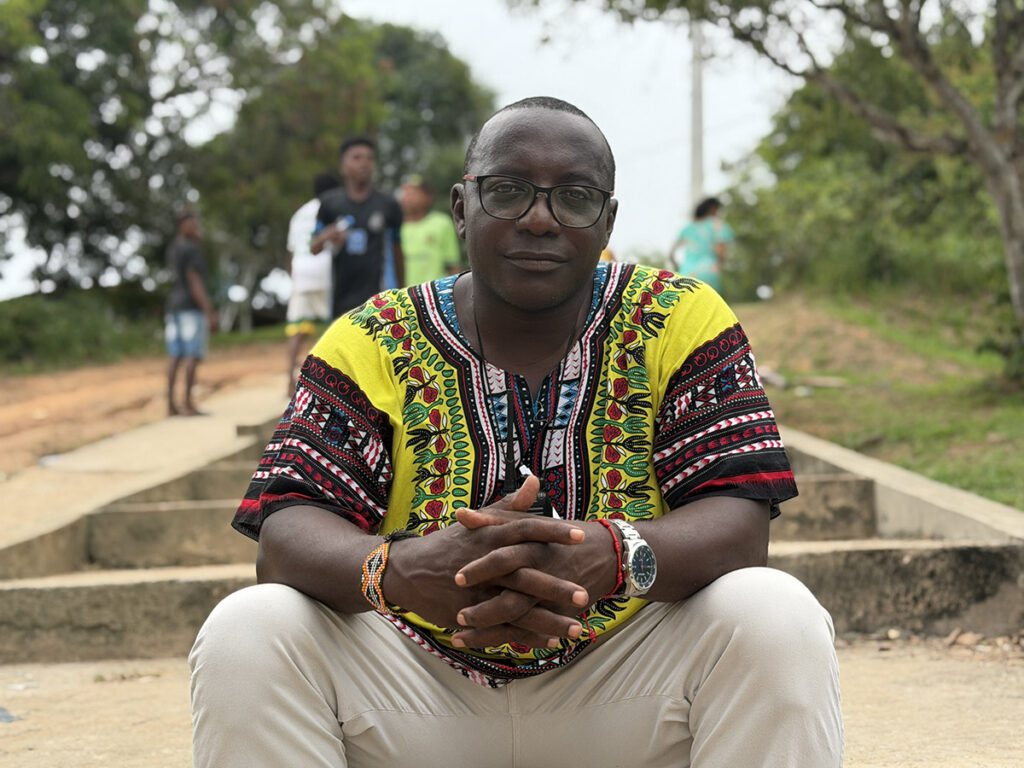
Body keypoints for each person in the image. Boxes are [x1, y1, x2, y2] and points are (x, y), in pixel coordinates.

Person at [190, 97, 843, 767]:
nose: (539, 219)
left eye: (576, 197)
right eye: (507, 191)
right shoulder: (372, 337)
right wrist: (404, 570)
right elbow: (285, 535)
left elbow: (741, 523)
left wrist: (612, 555)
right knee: (250, 629)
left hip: (627, 691)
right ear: (460, 206)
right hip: (413, 696)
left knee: (774, 614)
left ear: (607, 220)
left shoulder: (678, 316)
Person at [311, 135, 404, 317]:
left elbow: (398, 251)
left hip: (382, 298)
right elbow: (313, 247)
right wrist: (325, 236)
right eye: (357, 158)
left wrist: (401, 293)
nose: (364, 163)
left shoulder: (388, 204)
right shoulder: (329, 204)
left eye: (369, 158)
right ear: (343, 166)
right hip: (340, 299)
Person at [284, 171, 342, 395]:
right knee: (333, 325)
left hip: (301, 271)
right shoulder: (333, 207)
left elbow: (290, 250)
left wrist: (293, 277)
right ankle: (327, 380)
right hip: (324, 269)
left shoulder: (299, 214)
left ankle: (289, 380)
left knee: (297, 329)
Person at [164, 210, 217, 416]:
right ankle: (187, 404)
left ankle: (171, 405)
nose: (196, 227)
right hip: (190, 308)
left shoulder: (174, 248)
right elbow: (194, 280)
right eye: (193, 224)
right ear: (183, 225)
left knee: (175, 356)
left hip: (174, 306)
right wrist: (209, 311)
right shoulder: (192, 250)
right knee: (192, 356)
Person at [398, 174, 462, 285]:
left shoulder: (442, 223)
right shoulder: (395, 227)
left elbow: (453, 265)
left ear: (428, 197)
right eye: (405, 192)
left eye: (414, 193)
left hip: (434, 296)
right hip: (403, 298)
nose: (407, 197)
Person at [668, 196, 734, 294]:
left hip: (686, 272)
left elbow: (671, 254)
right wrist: (719, 264)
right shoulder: (717, 225)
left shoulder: (688, 228)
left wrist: (679, 268)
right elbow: (721, 251)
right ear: (713, 209)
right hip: (709, 270)